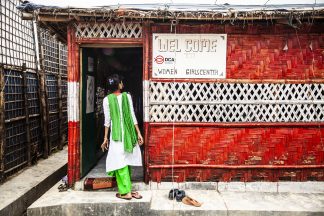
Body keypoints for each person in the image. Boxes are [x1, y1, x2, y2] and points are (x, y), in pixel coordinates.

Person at [101, 74, 144, 200]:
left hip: (116, 135)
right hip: (129, 133)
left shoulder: (106, 100)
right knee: (125, 160)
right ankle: (127, 190)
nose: (122, 83)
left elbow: (107, 121)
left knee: (120, 162)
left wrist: (105, 138)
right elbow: (132, 115)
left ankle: (125, 192)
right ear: (118, 85)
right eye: (121, 82)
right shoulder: (127, 97)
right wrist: (138, 133)